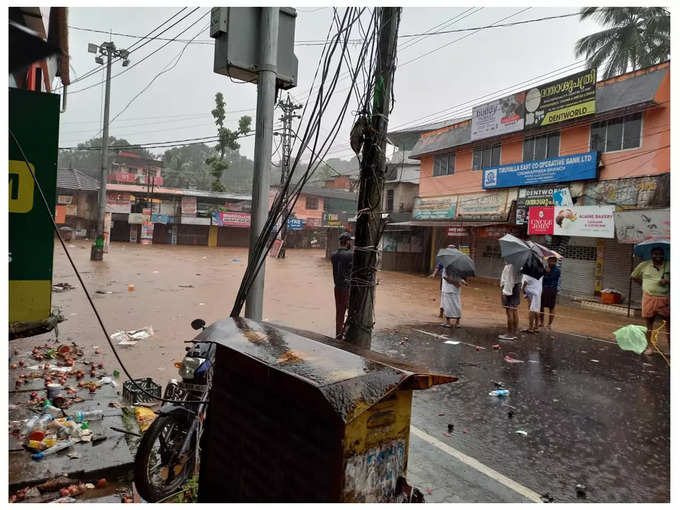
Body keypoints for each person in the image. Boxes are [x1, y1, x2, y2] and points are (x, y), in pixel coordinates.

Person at [631, 247, 670, 355]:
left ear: (664, 254)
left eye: (661, 254)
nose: (658, 256)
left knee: (669, 325)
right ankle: (650, 347)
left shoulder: (670, 264)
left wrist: (668, 281)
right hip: (648, 298)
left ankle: (671, 349)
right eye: (655, 254)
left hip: (665, 298)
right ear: (651, 255)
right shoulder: (644, 265)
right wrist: (643, 285)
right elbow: (633, 276)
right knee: (649, 324)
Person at [330, 231, 353, 340]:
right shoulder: (350, 255)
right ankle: (345, 333)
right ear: (348, 242)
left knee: (339, 312)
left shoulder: (333, 255)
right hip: (346, 288)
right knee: (351, 311)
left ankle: (338, 334)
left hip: (337, 288)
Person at [499, 263, 520, 340]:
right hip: (516, 286)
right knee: (515, 310)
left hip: (509, 288)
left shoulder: (510, 267)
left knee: (509, 311)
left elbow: (509, 280)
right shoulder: (519, 265)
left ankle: (509, 334)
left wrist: (505, 293)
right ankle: (515, 332)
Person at [539, 256, 561, 329]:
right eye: (549, 261)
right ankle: (541, 322)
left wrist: (547, 273)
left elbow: (551, 278)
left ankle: (549, 324)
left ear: (555, 262)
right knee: (541, 306)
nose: (550, 262)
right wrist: (544, 271)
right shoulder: (545, 268)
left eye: (552, 261)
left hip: (552, 289)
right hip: (543, 289)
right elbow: (541, 277)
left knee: (551, 307)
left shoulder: (557, 270)